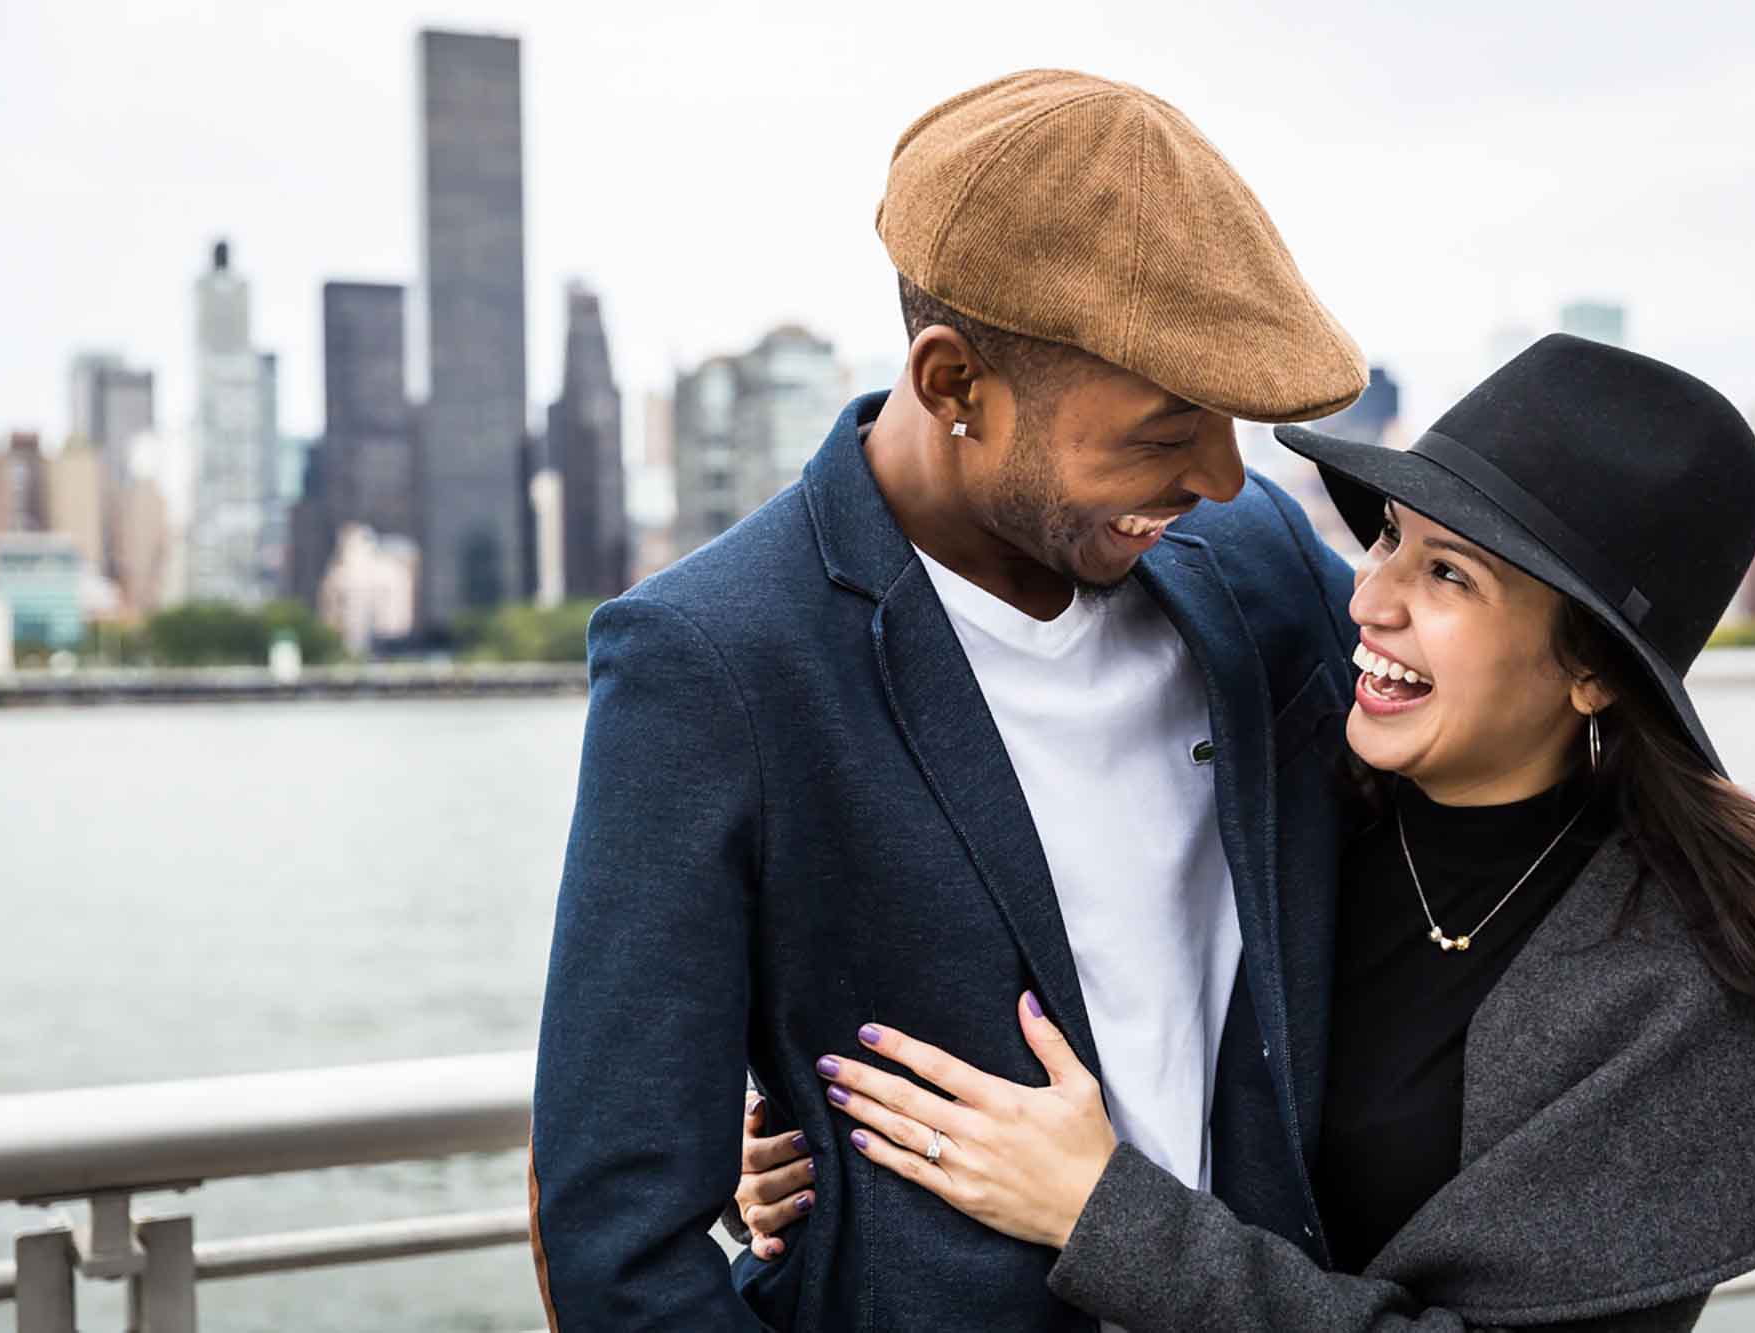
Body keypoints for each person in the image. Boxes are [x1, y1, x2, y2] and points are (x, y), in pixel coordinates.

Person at [737, 335, 1755, 1329]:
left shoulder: (1682, 994)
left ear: (1588, 669)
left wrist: (1102, 1215)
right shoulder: (1283, 797)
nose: (1370, 601)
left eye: (1446, 573)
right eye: (1385, 542)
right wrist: (829, 1156)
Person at [527, 69, 1371, 1330]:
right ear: (953, 382)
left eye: (1229, 421)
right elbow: (617, 1241)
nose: (1218, 476)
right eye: (1162, 428)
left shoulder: (1256, 570)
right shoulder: (710, 661)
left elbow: (1463, 797)